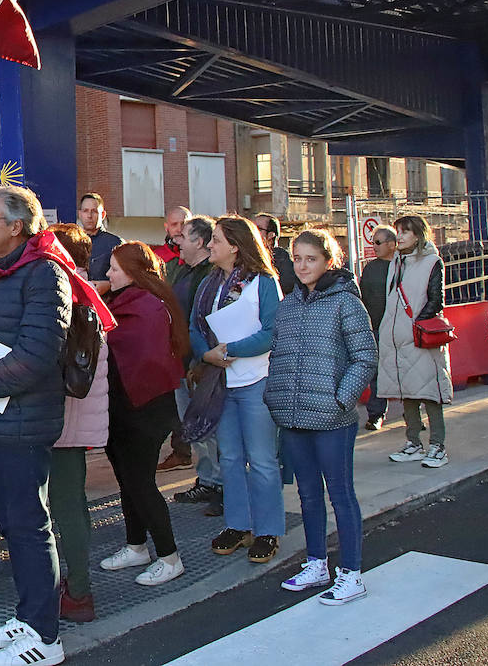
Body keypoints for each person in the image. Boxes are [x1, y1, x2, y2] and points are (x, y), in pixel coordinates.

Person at [0, 184, 81, 666]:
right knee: (16, 525)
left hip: (24, 423)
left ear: (16, 227)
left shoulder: (45, 274)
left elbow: (36, 356)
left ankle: (45, 638)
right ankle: (29, 617)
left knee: (29, 527)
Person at [265, 230, 377, 605]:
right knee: (308, 495)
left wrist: (340, 399)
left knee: (340, 494)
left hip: (332, 419)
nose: (301, 265)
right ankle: (317, 563)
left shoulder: (346, 303)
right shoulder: (288, 305)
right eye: (297, 258)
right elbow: (279, 354)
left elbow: (365, 357)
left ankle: (352, 573)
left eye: (310, 259)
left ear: (330, 261)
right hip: (294, 418)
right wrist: (276, 397)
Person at [190, 216, 284, 564]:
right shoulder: (208, 283)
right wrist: (205, 353)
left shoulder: (264, 282)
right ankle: (238, 524)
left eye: (214, 239)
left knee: (261, 460)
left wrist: (229, 350)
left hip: (256, 380)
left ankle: (268, 530)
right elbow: (195, 326)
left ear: (234, 245)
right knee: (229, 457)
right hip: (221, 383)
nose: (209, 245)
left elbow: (273, 332)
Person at [98, 241, 188, 588]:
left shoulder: (146, 306)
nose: (108, 274)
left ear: (134, 273)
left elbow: (138, 358)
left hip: (144, 409)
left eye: (115, 269)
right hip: (124, 407)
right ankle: (136, 546)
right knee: (128, 481)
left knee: (141, 483)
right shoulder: (126, 302)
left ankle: (170, 556)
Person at [39, 223, 110, 622]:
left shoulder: (65, 295)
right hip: (73, 419)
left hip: (62, 418)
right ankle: (76, 586)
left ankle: (78, 590)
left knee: (63, 509)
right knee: (71, 506)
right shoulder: (86, 294)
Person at [379, 214, 453, 469]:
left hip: (420, 337)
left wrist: (415, 325)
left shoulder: (432, 261)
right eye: (398, 231)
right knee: (406, 392)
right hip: (397, 337)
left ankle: (437, 445)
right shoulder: (397, 261)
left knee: (430, 392)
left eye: (405, 232)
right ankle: (413, 443)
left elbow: (436, 300)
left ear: (418, 235)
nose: (398, 236)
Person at [160, 216, 215, 481]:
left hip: (199, 364)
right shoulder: (183, 270)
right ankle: (206, 480)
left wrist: (201, 359)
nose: (176, 241)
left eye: (183, 236)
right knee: (191, 426)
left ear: (201, 241)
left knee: (206, 430)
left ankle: (215, 483)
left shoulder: (209, 275)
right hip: (180, 362)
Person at [359, 225, 397, 430]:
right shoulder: (371, 268)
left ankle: (414, 414)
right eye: (373, 242)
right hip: (376, 328)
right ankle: (376, 414)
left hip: (399, 328)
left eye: (378, 242)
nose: (374, 246)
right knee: (377, 374)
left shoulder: (402, 266)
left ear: (392, 244)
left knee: (405, 371)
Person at [78, 192, 122, 283]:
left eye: (94, 211)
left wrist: (108, 285)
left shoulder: (116, 244)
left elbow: (127, 278)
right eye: (85, 211)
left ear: (102, 215)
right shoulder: (72, 242)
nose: (89, 216)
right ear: (80, 214)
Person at [255, 213, 297, 295]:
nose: (253, 231)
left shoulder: (281, 257)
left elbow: (287, 286)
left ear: (271, 235)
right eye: (252, 227)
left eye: (258, 228)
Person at [155, 206, 192, 272]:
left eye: (184, 224)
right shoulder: (156, 256)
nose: (179, 229)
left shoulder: (201, 254)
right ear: (166, 227)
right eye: (174, 224)